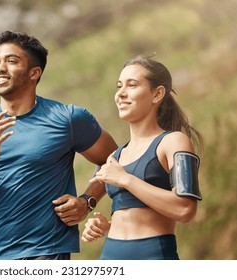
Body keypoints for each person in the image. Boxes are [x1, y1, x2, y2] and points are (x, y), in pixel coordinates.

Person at [0, 31, 117, 260]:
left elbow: (115, 159)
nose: (0, 68)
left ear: (34, 73)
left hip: (48, 254)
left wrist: (87, 201)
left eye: (11, 61)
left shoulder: (67, 118)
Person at [81, 55, 203, 260]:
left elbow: (185, 209)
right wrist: (107, 227)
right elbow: (136, 217)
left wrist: (125, 179)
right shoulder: (115, 156)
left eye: (132, 85)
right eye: (119, 86)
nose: (121, 93)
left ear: (157, 94)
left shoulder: (174, 142)